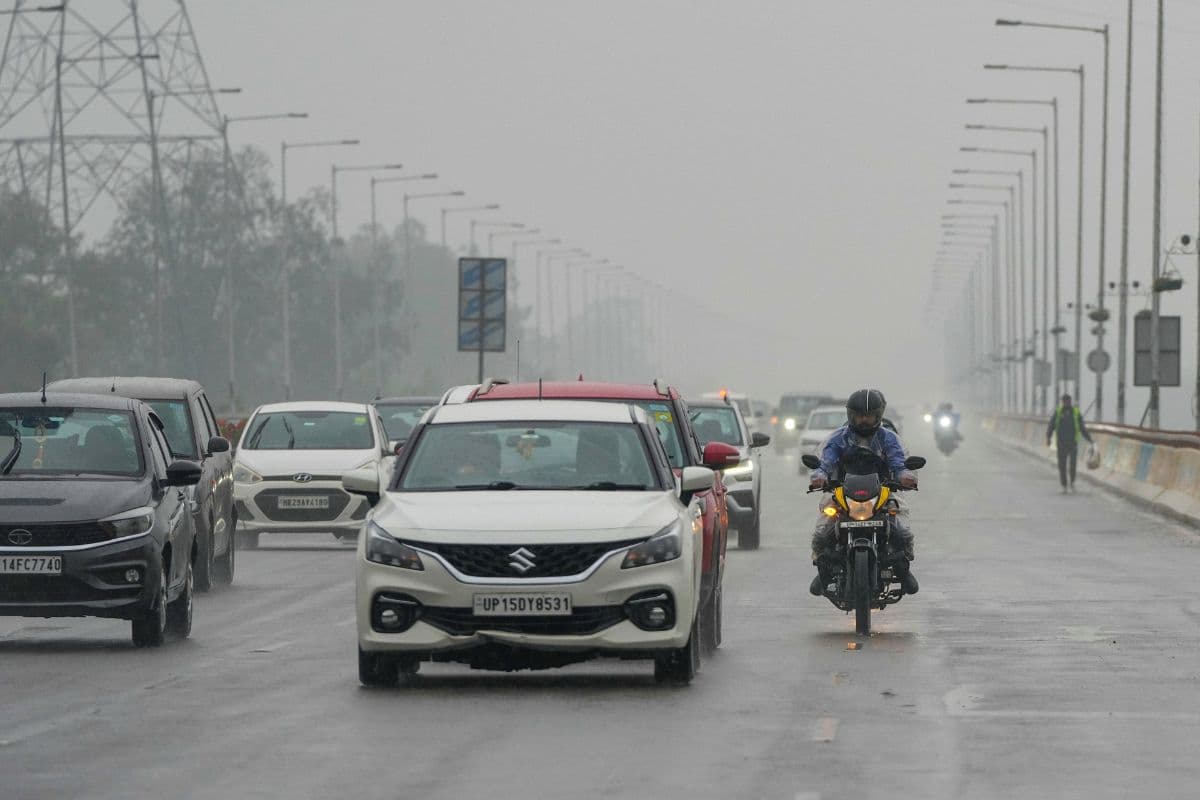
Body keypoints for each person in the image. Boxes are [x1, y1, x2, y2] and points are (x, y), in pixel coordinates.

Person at [807, 388, 919, 597]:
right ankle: (822, 567)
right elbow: (825, 461)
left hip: (883, 491)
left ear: (878, 416)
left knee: (900, 513)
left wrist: (905, 476)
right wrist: (819, 476)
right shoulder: (838, 439)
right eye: (860, 416)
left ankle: (904, 567)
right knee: (825, 516)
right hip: (843, 491)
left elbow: (898, 462)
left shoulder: (888, 438)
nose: (864, 420)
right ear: (851, 415)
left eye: (869, 416)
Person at [1046, 393, 1092, 493]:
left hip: (1072, 443)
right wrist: (1048, 437)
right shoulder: (1058, 412)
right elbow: (1051, 425)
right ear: (1062, 402)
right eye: (1064, 401)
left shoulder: (1075, 412)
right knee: (1061, 465)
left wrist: (1090, 440)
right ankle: (1064, 485)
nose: (1066, 403)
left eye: (1067, 401)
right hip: (1061, 443)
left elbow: (1082, 428)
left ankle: (1072, 482)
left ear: (1070, 401)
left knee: (1072, 465)